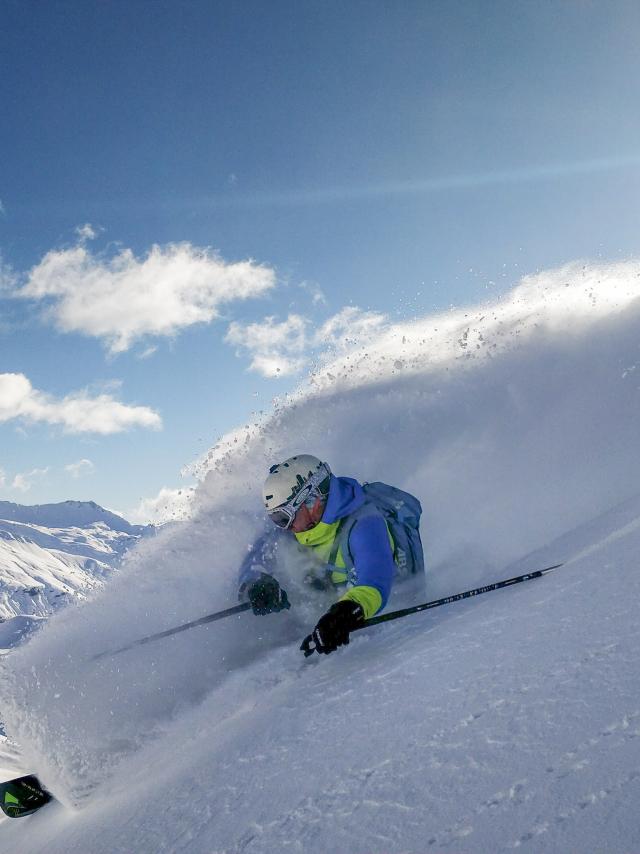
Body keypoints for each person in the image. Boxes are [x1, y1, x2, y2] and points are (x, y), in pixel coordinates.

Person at [238, 454, 424, 655]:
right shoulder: (294, 530)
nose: (283, 526)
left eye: (284, 517)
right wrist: (255, 584)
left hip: (382, 611)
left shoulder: (365, 524)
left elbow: (375, 578)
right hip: (326, 599)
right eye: (276, 518)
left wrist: (344, 614)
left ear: (312, 502)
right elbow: (256, 557)